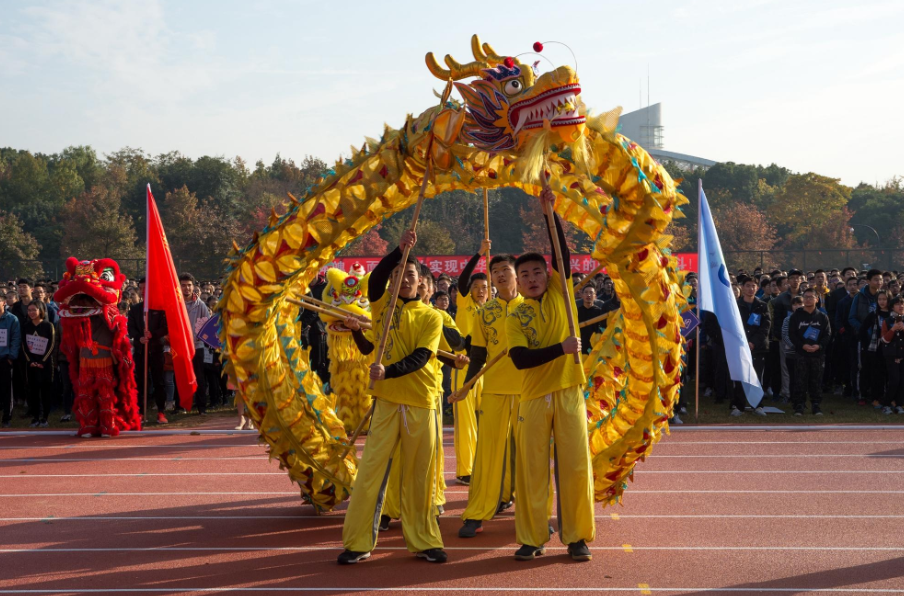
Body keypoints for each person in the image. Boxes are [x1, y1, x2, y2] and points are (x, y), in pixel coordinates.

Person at [338, 229, 446, 565]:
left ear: (421, 283)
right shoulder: (381, 304)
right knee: (370, 471)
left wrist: (388, 371)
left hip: (421, 401)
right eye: (398, 274)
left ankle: (425, 540)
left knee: (420, 475)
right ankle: (357, 543)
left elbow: (422, 357)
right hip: (386, 402)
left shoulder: (432, 316)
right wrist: (397, 252)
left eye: (410, 275)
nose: (403, 279)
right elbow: (376, 281)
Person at [504, 189, 594, 562]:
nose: (532, 278)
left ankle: (576, 537)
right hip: (532, 399)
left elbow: (562, 253)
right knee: (532, 471)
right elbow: (521, 360)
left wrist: (548, 213)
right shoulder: (515, 315)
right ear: (516, 282)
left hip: (569, 391)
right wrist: (561, 349)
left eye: (537, 271)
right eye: (523, 274)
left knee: (574, 467)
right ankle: (533, 536)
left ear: (547, 274)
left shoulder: (561, 291)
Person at [455, 253, 523, 538]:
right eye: (495, 272)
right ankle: (477, 511)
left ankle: (535, 514)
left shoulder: (532, 308)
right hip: (494, 389)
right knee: (487, 454)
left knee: (530, 455)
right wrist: (467, 386)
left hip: (528, 390)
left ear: (516, 274)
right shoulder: (485, 313)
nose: (500, 275)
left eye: (505, 270)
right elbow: (478, 355)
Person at [452, 241, 491, 484]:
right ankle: (465, 470)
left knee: (488, 418)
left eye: (484, 287)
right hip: (465, 365)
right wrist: (478, 254)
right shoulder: (465, 305)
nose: (479, 290)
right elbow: (463, 279)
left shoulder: (493, 310)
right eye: (476, 287)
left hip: (488, 367)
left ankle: (487, 465)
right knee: (466, 421)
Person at [127, 278, 169, 424]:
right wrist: (139, 338)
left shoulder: (159, 307)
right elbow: (131, 328)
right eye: (141, 288)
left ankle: (161, 412)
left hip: (156, 350)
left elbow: (165, 327)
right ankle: (140, 412)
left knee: (159, 381)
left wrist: (153, 334)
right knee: (141, 382)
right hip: (140, 351)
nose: (144, 291)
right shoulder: (135, 309)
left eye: (146, 288)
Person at [788, 288, 831, 416]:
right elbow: (792, 334)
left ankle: (816, 405)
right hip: (801, 354)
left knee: (816, 381)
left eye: (811, 297)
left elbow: (827, 334)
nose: (808, 299)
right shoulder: (796, 316)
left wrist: (819, 346)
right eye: (805, 297)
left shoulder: (822, 317)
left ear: (816, 299)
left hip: (817, 354)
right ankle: (799, 406)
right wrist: (802, 346)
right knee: (800, 380)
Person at [734, 275, 771, 416]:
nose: (750, 289)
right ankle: (739, 406)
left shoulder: (762, 305)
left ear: (757, 288)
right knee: (740, 376)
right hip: (740, 347)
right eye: (748, 286)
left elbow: (765, 327)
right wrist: (744, 343)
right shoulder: (736, 305)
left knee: (757, 376)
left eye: (753, 286)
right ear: (742, 288)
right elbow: (734, 326)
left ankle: (758, 405)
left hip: (758, 348)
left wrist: (753, 342)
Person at [179, 273, 211, 415]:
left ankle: (201, 407)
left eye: (189, 285)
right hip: (179, 347)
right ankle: (181, 406)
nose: (186, 288)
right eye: (183, 285)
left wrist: (198, 338)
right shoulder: (176, 303)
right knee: (181, 377)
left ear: (194, 286)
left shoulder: (201, 305)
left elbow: (207, 325)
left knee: (199, 376)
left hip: (196, 347)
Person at [23, 301, 56, 427]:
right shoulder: (26, 326)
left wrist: (42, 361)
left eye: (34, 310)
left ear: (41, 310)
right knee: (33, 391)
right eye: (29, 310)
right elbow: (24, 345)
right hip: (31, 364)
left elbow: (51, 345)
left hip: (45, 364)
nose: (31, 312)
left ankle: (45, 418)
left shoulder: (48, 325)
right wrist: (31, 361)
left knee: (46, 391)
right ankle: (35, 417)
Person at [859, 289, 889, 408]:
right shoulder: (873, 314)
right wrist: (867, 345)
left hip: (891, 349)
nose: (882, 302)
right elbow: (862, 330)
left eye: (884, 299)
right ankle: (876, 398)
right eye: (879, 299)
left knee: (890, 374)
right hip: (876, 349)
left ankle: (891, 398)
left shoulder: (895, 314)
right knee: (877, 374)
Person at [0, 294, 21, 427]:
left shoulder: (12, 319)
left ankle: (7, 418)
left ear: (3, 302)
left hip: (5, 359)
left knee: (7, 389)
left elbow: (15, 339)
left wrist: (11, 357)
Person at [880, 296, 904, 415]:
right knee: (894, 381)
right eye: (898, 304)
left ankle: (899, 404)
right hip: (891, 356)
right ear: (892, 306)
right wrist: (893, 329)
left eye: (902, 304)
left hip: (903, 355)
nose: (901, 306)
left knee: (902, 382)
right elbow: (884, 340)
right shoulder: (887, 321)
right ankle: (886, 404)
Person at [576, 284, 615, 355]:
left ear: (595, 296)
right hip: (579, 345)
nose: (588, 295)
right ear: (582, 295)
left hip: (594, 345)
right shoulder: (576, 312)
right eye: (586, 292)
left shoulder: (600, 312)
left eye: (591, 293)